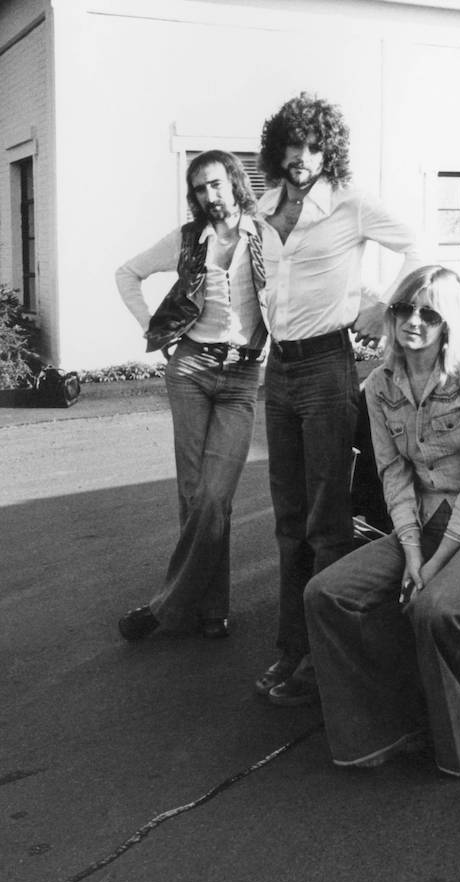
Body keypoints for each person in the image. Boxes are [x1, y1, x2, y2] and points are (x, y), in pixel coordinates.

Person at [302, 266, 460, 774]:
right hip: (423, 526)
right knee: (326, 593)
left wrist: (430, 566)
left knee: (434, 610)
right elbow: (394, 477)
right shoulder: (380, 386)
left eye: (429, 312)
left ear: (448, 322)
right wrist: (412, 552)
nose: (414, 321)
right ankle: (381, 728)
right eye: (405, 309)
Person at [254, 92, 427, 706]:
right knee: (287, 518)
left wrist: (380, 311)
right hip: (279, 370)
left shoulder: (350, 206)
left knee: (328, 521)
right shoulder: (264, 206)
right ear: (279, 149)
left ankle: (324, 660)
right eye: (292, 146)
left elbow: (418, 246)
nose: (301, 158)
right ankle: (291, 645)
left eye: (312, 147)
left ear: (328, 152)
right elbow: (261, 287)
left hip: (328, 367)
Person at [114, 150, 279, 643]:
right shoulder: (188, 241)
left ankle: (165, 607)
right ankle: (212, 608)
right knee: (194, 495)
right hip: (190, 369)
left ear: (234, 182)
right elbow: (127, 273)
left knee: (214, 494)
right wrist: (155, 330)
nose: (210, 196)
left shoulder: (266, 235)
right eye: (200, 189)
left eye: (216, 184)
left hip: (243, 376)